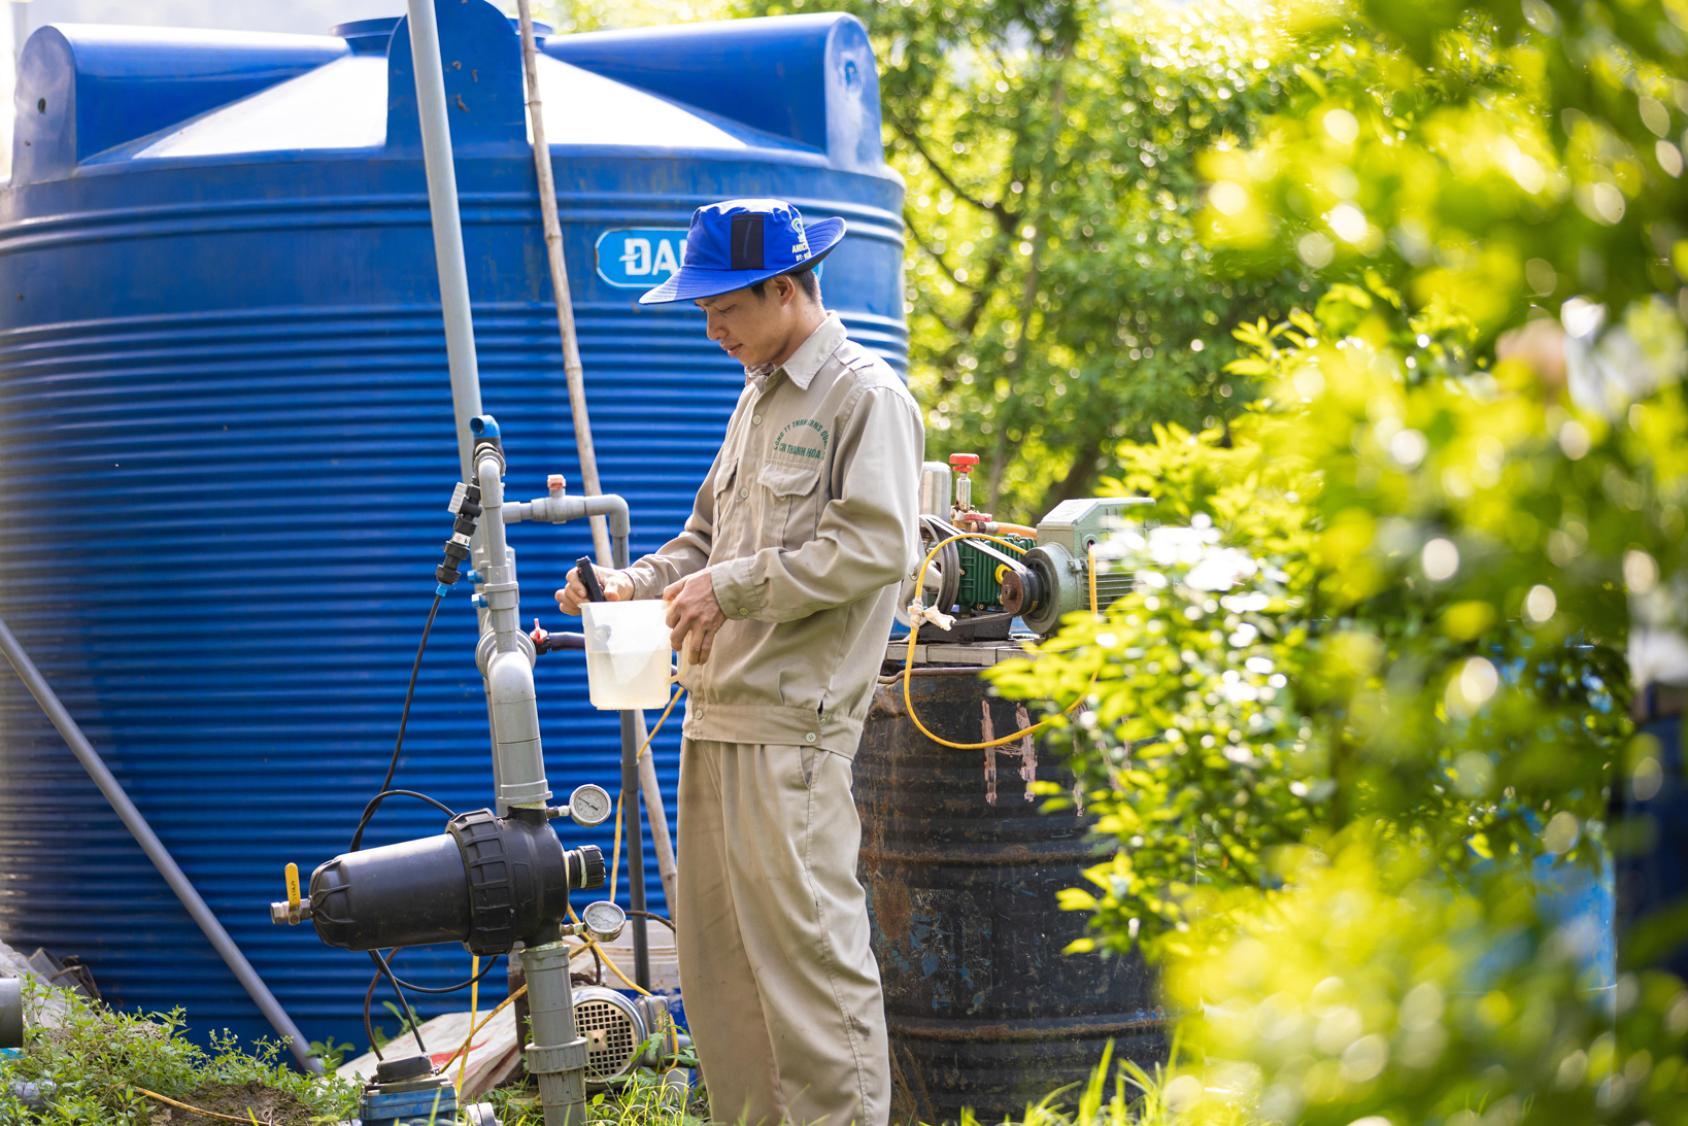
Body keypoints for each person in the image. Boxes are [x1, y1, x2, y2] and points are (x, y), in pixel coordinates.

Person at [555, 198, 923, 1125]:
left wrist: (736, 588)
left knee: (809, 976)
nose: (711, 328)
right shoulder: (757, 396)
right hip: (715, 720)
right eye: (704, 310)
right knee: (724, 987)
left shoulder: (863, 395)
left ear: (787, 289)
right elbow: (703, 541)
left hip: (793, 733)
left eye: (724, 307)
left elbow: (878, 547)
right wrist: (632, 582)